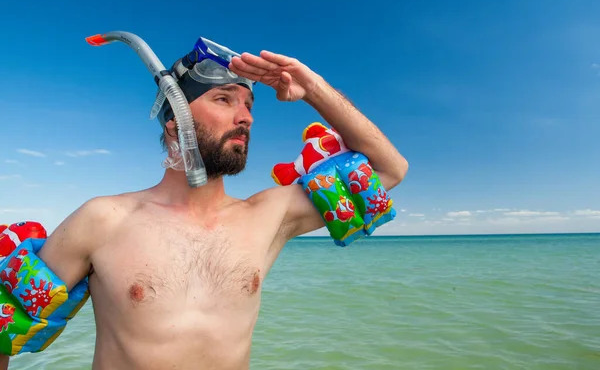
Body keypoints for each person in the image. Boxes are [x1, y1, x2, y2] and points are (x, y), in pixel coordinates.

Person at [0, 43, 408, 369]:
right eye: (224, 100)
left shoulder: (267, 216)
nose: (245, 117)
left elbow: (390, 170)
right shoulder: (103, 220)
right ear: (174, 121)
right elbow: (7, 325)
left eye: (248, 105)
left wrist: (312, 85)